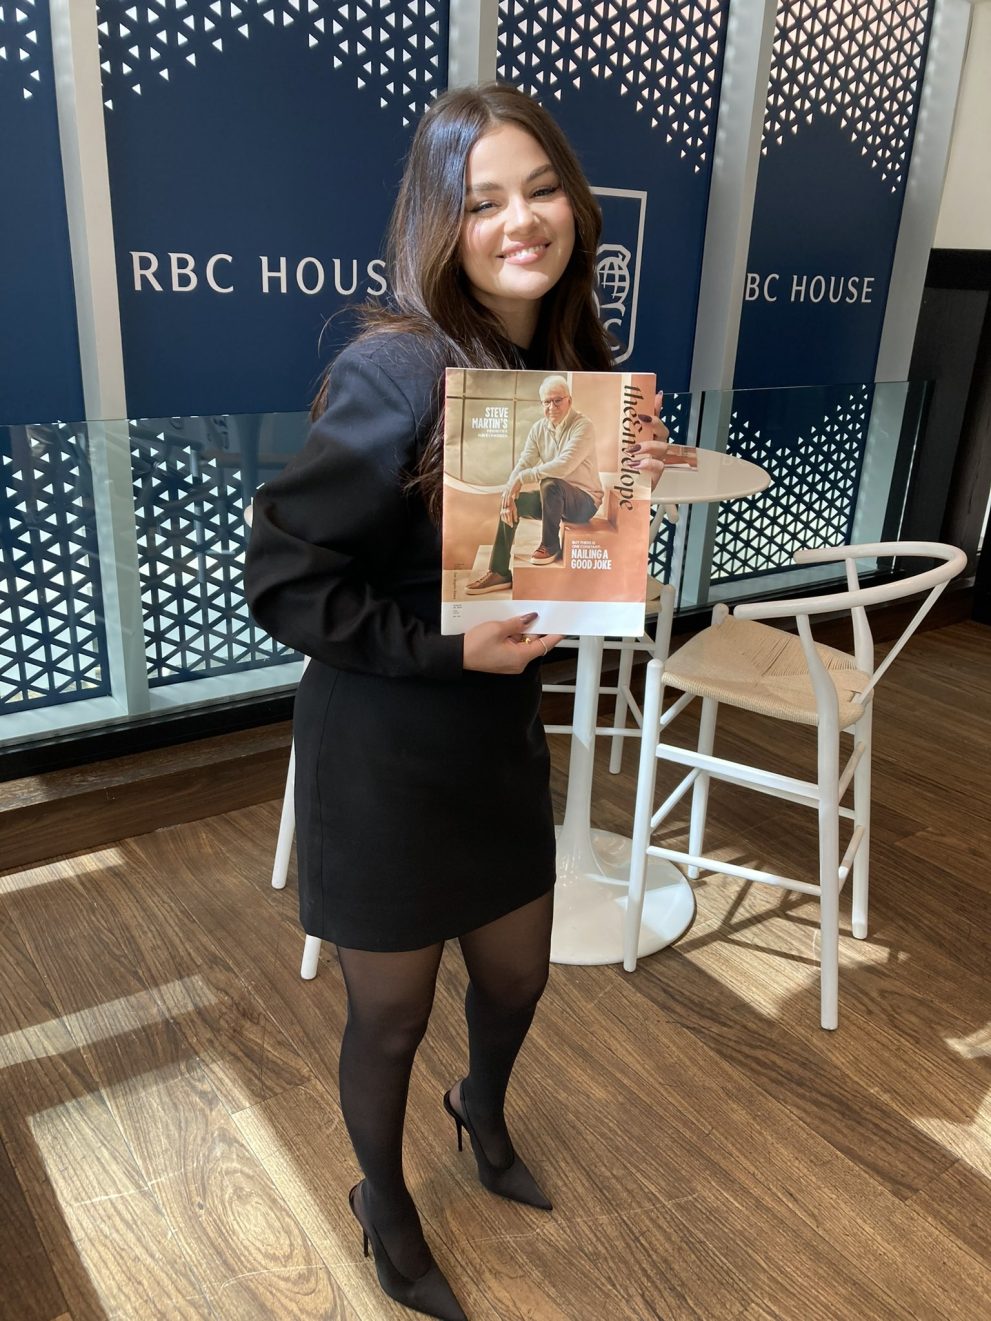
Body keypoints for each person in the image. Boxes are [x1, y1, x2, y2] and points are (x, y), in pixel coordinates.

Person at [244, 82, 669, 1321]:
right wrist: (446, 649)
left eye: (540, 190)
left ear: (575, 207)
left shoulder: (568, 365)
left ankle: (477, 1104)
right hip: (383, 749)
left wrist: (626, 507)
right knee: (389, 1018)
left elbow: (528, 557)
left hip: (494, 738)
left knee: (519, 979)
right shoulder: (398, 367)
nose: (519, 221)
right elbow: (283, 580)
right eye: (482, 202)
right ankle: (382, 1200)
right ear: (443, 224)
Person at [466, 374, 602, 595]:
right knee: (515, 500)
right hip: (554, 501)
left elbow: (564, 465)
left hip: (584, 502)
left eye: (557, 400)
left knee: (550, 483)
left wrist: (522, 478)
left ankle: (550, 545)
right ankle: (499, 572)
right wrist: (509, 492)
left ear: (569, 400)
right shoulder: (539, 428)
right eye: (547, 402)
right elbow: (525, 462)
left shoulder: (583, 426)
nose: (552, 407)